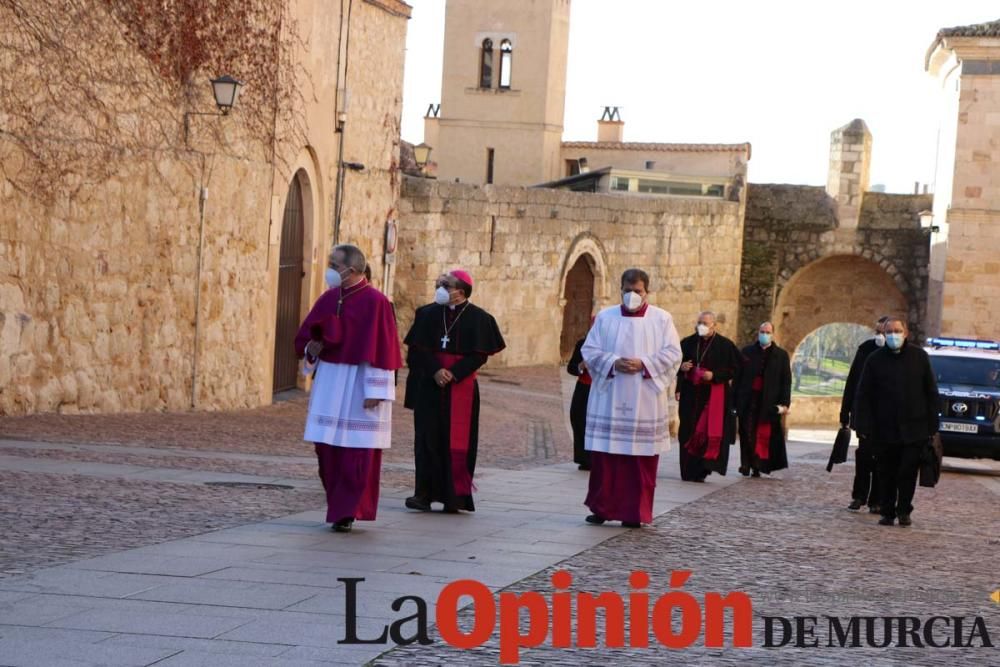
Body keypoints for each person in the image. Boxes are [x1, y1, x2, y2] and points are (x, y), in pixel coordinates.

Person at [295, 244, 402, 532]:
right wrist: (312, 348)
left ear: (352, 270)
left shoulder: (377, 301)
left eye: (334, 264)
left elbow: (384, 346)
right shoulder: (329, 298)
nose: (329, 269)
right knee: (326, 448)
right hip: (330, 380)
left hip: (359, 384)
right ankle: (336, 505)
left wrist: (377, 390)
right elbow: (306, 340)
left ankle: (348, 510)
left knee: (357, 452)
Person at [581, 268, 682, 528]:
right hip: (610, 396)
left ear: (646, 291)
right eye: (627, 291)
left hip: (645, 398)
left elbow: (673, 353)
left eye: (637, 291)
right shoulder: (606, 318)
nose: (632, 296)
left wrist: (645, 364)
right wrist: (614, 363)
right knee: (607, 456)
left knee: (639, 458)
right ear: (620, 290)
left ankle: (634, 512)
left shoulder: (661, 319)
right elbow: (589, 350)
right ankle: (602, 508)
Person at [403, 269, 505, 513]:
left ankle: (455, 497)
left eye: (445, 285)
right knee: (427, 439)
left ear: (460, 291)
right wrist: (436, 371)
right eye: (439, 283)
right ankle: (423, 494)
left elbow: (480, 354)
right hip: (430, 384)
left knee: (458, 442)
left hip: (462, 386)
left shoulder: (480, 318)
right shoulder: (426, 313)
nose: (440, 288)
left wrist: (454, 372)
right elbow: (417, 351)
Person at [853, 318, 939, 527]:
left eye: (897, 331)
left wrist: (931, 425)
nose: (893, 335)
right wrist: (863, 425)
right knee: (887, 472)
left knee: (907, 471)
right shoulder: (874, 359)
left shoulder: (919, 357)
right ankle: (888, 511)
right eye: (890, 331)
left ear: (906, 333)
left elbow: (930, 391)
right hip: (885, 429)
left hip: (914, 429)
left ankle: (904, 510)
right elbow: (864, 394)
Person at [676, 311, 741, 482]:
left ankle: (703, 470)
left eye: (705, 323)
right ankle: (687, 470)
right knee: (688, 432)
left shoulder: (725, 345)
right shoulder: (688, 343)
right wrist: (681, 367)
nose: (701, 326)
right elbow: (673, 364)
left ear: (714, 326)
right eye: (699, 322)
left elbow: (735, 369)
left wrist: (714, 375)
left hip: (712, 398)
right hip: (690, 396)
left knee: (705, 433)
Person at [839, 315, 889, 513]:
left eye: (884, 332)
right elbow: (852, 382)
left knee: (882, 460)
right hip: (866, 416)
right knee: (864, 457)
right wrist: (845, 412)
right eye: (878, 331)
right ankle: (859, 496)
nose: (881, 336)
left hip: (887, 418)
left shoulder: (898, 354)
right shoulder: (865, 349)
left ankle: (876, 500)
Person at [735, 322, 791, 477]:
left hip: (768, 401)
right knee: (746, 431)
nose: (764, 334)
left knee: (761, 434)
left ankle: (757, 464)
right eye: (762, 331)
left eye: (767, 332)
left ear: (772, 334)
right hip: (748, 399)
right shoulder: (747, 352)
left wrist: (784, 404)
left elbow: (786, 381)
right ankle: (745, 463)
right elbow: (738, 378)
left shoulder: (781, 355)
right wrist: (734, 401)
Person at [567, 327, 594, 471]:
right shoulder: (582, 344)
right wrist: (581, 366)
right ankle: (584, 458)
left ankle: (597, 458)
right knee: (578, 419)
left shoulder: (611, 346)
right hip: (583, 388)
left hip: (601, 390)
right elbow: (571, 367)